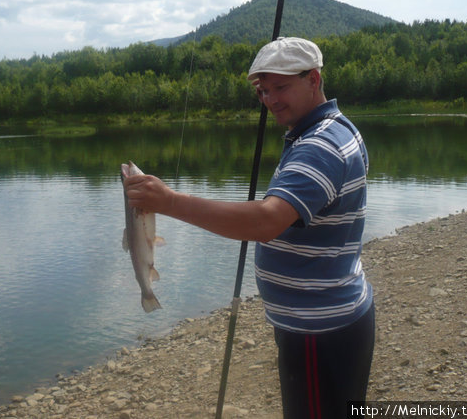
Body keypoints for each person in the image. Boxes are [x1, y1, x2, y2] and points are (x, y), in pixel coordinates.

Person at [123, 37, 375, 419]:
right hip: (324, 317)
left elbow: (266, 221)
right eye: (263, 91)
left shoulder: (320, 146)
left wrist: (170, 202)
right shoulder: (328, 130)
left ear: (314, 79)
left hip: (317, 328)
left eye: (281, 87)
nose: (271, 100)